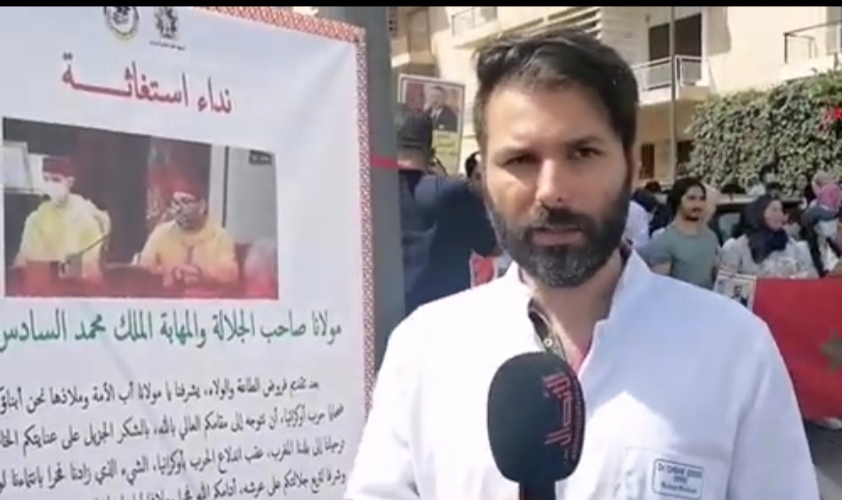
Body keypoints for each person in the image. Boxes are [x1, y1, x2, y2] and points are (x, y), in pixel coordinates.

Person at [347, 30, 818, 500]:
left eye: (583, 153)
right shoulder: (423, 350)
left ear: (631, 167)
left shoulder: (736, 350)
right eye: (521, 159)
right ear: (483, 179)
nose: (552, 190)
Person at [395, 104, 498, 315]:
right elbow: (492, 247)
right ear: (431, 153)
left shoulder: (368, 195)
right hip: (442, 321)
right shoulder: (454, 192)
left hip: (380, 320)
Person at [15, 156, 109, 283]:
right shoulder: (36, 218)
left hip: (76, 286)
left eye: (56, 179)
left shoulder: (87, 218)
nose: (50, 185)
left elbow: (90, 268)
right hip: (40, 284)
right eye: (46, 179)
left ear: (69, 182)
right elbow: (25, 261)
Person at [138, 173, 239, 292]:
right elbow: (142, 269)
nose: (178, 208)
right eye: (175, 203)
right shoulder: (161, 233)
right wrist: (170, 273)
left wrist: (201, 274)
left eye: (185, 202)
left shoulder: (220, 236)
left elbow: (230, 274)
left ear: (202, 206)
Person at [640, 177, 720, 289]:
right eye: (691, 198)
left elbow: (715, 277)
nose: (697, 204)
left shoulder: (710, 237)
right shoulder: (665, 240)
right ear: (678, 201)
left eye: (702, 199)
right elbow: (659, 287)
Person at [719, 195, 816, 278]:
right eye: (774, 210)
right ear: (759, 213)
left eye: (781, 210)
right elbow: (727, 282)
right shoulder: (737, 247)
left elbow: (810, 277)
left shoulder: (795, 246)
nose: (779, 215)